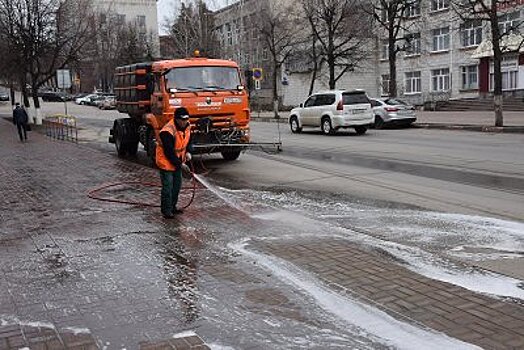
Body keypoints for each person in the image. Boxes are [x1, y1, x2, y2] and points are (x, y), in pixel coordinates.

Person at [156, 107, 192, 219]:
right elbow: (169, 152)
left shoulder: (187, 126)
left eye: (186, 119)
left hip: (177, 160)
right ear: (176, 119)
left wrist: (189, 151)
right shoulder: (167, 131)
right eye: (182, 119)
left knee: (177, 186)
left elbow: (189, 140)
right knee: (168, 187)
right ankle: (166, 210)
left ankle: (172, 207)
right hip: (166, 161)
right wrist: (180, 164)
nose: (185, 121)